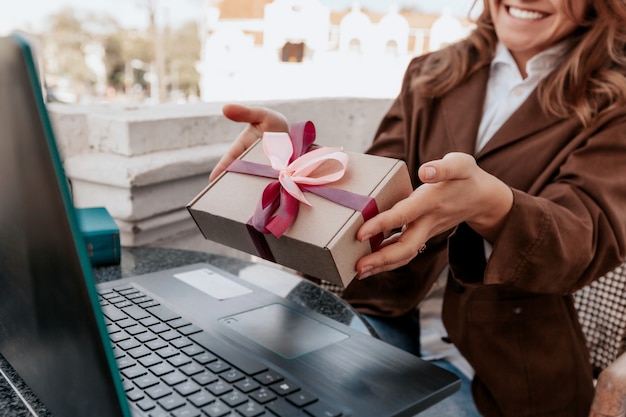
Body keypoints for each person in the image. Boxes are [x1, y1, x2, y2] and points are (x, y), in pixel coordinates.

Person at [208, 0, 626, 415]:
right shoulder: (429, 72)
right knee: (259, 383)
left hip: (511, 370)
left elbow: (585, 239)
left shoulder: (616, 99)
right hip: (386, 315)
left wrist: (495, 207)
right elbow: (371, 196)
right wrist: (290, 160)